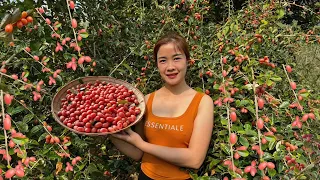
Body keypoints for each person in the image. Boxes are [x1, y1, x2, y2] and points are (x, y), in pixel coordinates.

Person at [110, 31, 214, 180]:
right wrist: (109, 133)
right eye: (163, 60)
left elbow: (194, 159)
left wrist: (142, 144)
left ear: (187, 60)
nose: (170, 67)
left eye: (176, 58)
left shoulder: (202, 102)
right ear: (157, 65)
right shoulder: (146, 100)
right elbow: (138, 153)